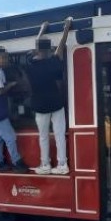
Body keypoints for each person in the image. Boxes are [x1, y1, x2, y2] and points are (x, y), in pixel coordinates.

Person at [26, 18, 72, 175]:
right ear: (47, 51)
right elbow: (60, 47)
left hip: (40, 107)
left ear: (38, 50)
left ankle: (45, 164)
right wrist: (66, 28)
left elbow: (36, 46)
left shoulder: (30, 64)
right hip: (56, 104)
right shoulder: (52, 62)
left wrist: (42, 28)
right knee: (59, 135)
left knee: (43, 137)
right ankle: (62, 165)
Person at [0, 47, 29, 173]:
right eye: (3, 57)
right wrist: (11, 85)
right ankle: (17, 162)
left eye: (6, 57)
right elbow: (0, 91)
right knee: (10, 137)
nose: (5, 60)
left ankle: (0, 163)